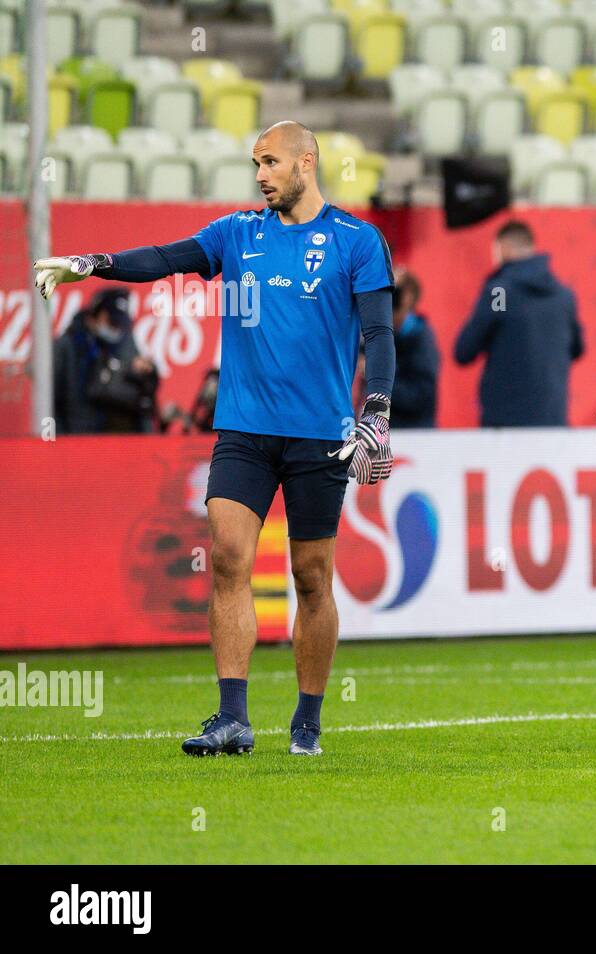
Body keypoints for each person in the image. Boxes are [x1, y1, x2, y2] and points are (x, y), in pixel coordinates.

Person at [33, 120, 397, 757]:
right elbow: (166, 259)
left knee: (312, 578)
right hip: (244, 431)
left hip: (321, 438)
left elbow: (379, 337)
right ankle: (232, 717)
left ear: (306, 163)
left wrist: (378, 412)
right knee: (229, 558)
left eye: (270, 162)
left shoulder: (357, 242)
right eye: (255, 163)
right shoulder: (237, 234)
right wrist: (92, 265)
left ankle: (307, 722)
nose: (260, 174)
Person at [453, 220, 583, 427]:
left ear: (501, 248)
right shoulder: (563, 296)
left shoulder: (500, 293)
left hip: (504, 425)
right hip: (552, 421)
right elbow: (577, 349)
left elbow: (465, 351)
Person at [52, 287, 157, 434]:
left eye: (120, 323)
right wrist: (60, 444)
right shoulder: (67, 346)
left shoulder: (126, 342)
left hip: (114, 442)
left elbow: (141, 399)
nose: (117, 329)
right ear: (95, 316)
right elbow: (50, 403)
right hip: (75, 441)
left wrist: (146, 372)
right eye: (112, 321)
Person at [390, 266, 439, 428]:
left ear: (408, 299)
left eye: (394, 294)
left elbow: (419, 397)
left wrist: (377, 377)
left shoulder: (420, 337)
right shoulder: (374, 336)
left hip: (414, 436)